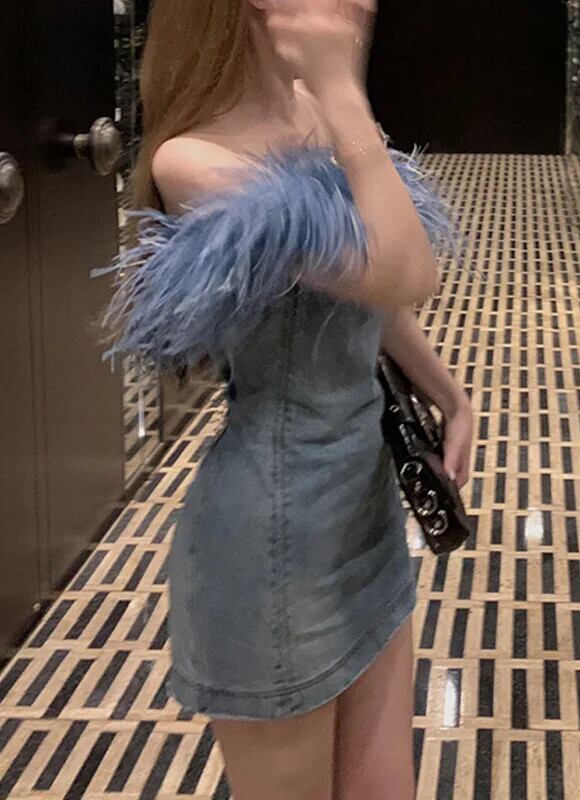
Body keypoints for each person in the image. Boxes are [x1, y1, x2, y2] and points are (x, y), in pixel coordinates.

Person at [105, 1, 473, 798]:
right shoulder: (191, 160)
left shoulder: (310, 110)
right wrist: (345, 94)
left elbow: (370, 291)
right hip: (274, 538)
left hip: (364, 509)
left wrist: (450, 394)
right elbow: (403, 270)